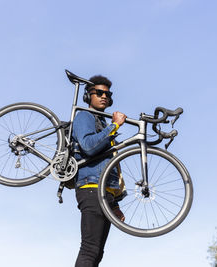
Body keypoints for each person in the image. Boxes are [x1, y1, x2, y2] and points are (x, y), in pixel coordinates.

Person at [72, 74, 126, 267]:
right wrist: (114, 125)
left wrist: (116, 204)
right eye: (99, 92)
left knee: (97, 254)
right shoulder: (84, 116)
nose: (104, 96)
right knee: (89, 250)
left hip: (105, 194)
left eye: (108, 94)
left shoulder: (102, 123)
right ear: (88, 95)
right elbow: (88, 146)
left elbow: (112, 165)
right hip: (91, 187)